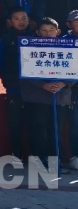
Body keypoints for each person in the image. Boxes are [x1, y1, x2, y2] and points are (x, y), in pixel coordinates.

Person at [20, 18, 73, 170]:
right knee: (38, 130)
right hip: (37, 97)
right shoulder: (29, 48)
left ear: (58, 32)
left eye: (51, 30)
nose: (48, 34)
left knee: (55, 131)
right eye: (44, 30)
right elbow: (25, 71)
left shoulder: (68, 47)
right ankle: (38, 160)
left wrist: (64, 83)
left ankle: (56, 161)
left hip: (59, 97)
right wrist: (43, 85)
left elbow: (74, 69)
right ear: (37, 32)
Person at [0, 7, 30, 166]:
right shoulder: (6, 39)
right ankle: (16, 153)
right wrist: (6, 81)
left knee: (34, 123)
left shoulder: (35, 37)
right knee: (15, 123)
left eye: (24, 18)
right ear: (10, 22)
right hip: (14, 88)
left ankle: (36, 155)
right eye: (16, 18)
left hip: (34, 90)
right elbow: (0, 62)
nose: (21, 21)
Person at [63, 10, 78, 171]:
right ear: (68, 24)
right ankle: (75, 157)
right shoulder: (63, 41)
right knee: (75, 125)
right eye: (76, 21)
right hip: (73, 92)